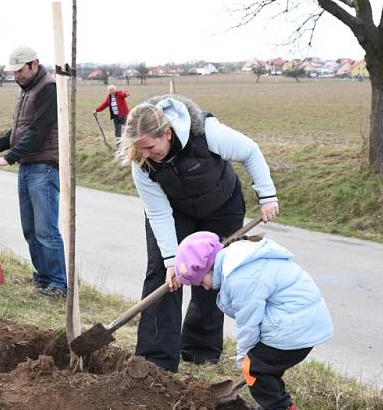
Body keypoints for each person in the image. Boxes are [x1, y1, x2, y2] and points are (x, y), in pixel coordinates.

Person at [117, 94, 280, 373]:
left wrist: (267, 196)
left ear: (167, 133)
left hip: (221, 206)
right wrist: (171, 261)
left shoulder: (206, 133)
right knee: (162, 275)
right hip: (174, 211)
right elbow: (157, 213)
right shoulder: (141, 161)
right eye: (138, 148)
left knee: (214, 273)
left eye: (149, 146)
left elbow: (250, 151)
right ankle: (156, 358)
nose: (144, 154)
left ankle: (200, 349)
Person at [174, 231, 333, 410]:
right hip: (301, 323)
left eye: (201, 281)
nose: (203, 287)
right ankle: (272, 408)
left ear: (209, 267)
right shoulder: (237, 259)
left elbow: (248, 324)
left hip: (295, 328)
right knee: (264, 366)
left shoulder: (240, 277)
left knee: (254, 367)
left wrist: (244, 359)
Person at [0, 46, 67, 299]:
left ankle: (59, 283)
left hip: (44, 166)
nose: (16, 75)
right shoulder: (27, 90)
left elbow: (38, 131)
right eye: (14, 72)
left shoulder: (48, 89)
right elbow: (20, 130)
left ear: (34, 64)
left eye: (20, 70)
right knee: (30, 228)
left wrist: (8, 157)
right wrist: (0, 143)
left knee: (45, 229)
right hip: (28, 165)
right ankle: (42, 277)